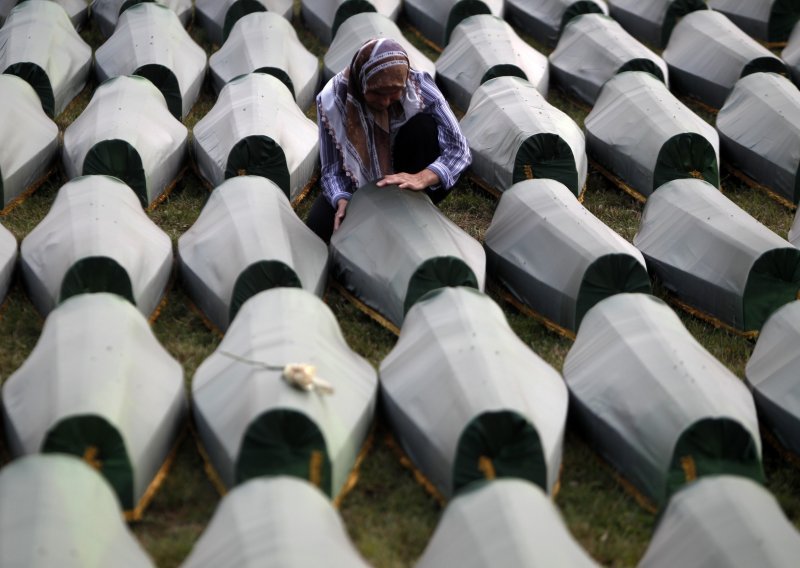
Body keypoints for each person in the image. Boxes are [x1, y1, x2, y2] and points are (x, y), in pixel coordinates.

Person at [306, 37, 472, 242]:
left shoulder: (417, 85)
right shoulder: (332, 99)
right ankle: (373, 213)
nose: (384, 102)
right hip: (360, 185)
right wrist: (342, 199)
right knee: (318, 228)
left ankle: (414, 206)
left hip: (411, 178)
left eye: (394, 94)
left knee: (423, 127)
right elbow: (332, 169)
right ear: (361, 82)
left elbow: (459, 149)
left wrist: (421, 178)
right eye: (376, 93)